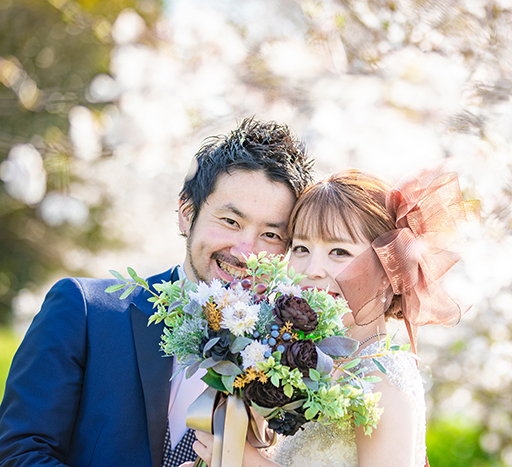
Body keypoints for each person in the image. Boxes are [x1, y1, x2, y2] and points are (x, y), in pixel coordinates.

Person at [0, 117, 314, 467]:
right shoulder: (85, 312)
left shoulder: (294, 359)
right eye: (230, 221)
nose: (245, 252)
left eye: (270, 235)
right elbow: (17, 455)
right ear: (187, 213)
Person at [193, 168, 479, 467]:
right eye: (301, 248)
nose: (312, 269)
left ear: (388, 268)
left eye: (339, 251)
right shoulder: (315, 361)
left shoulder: (384, 379)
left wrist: (247, 462)